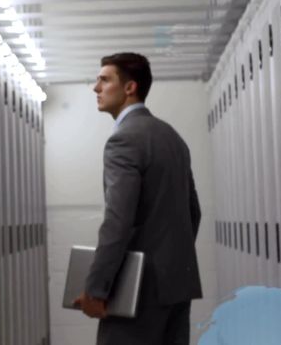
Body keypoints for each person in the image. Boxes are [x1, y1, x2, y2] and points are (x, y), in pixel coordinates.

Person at [72, 52, 202, 344]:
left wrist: (96, 289)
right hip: (176, 286)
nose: (96, 88)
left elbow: (118, 221)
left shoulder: (124, 140)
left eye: (104, 80)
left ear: (130, 88)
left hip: (138, 292)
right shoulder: (172, 137)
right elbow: (194, 213)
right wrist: (168, 259)